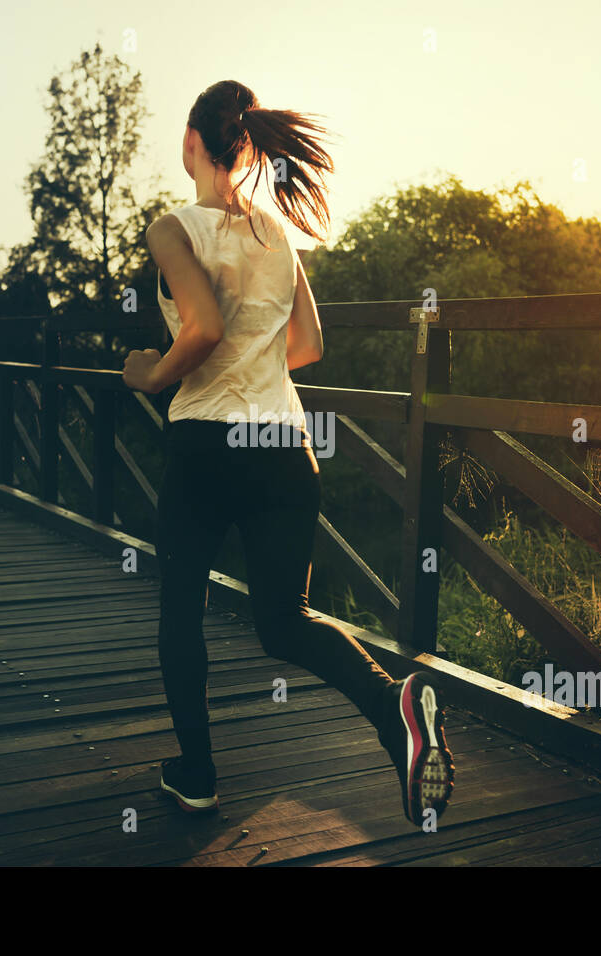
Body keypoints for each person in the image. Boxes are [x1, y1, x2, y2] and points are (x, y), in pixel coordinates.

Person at [121, 80, 454, 827]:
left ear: (192, 144)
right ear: (249, 147)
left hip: (208, 443)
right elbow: (307, 345)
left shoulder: (172, 227)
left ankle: (198, 774)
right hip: (281, 444)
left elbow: (201, 326)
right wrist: (255, 356)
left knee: (181, 609)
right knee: (285, 621)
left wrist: (150, 372)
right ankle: (390, 701)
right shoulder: (278, 235)